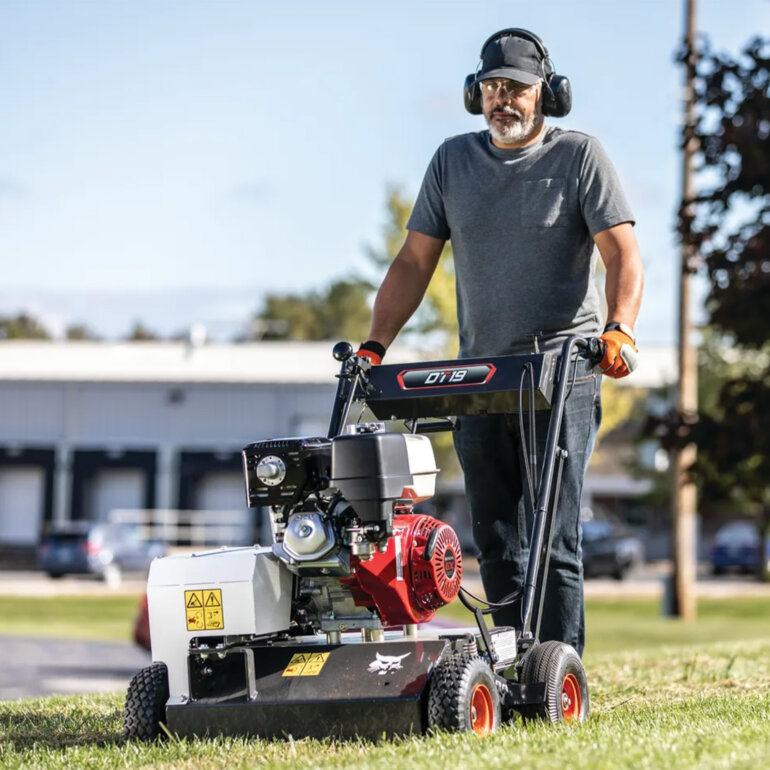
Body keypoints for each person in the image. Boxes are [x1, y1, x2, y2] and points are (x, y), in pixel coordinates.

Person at [358, 28, 643, 657]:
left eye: (516, 88)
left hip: (563, 370)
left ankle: (561, 671)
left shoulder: (579, 158)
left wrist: (618, 328)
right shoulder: (452, 162)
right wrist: (374, 346)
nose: (503, 100)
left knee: (554, 536)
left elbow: (622, 250)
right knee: (494, 534)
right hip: (481, 377)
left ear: (547, 94)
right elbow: (412, 263)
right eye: (492, 88)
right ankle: (514, 660)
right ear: (474, 95)